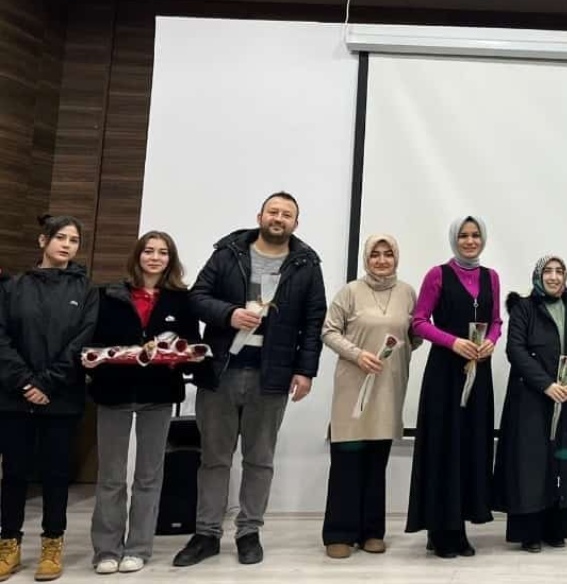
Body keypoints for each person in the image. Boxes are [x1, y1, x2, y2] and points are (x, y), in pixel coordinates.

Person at [173, 191, 327, 567]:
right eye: (273, 211)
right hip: (222, 372)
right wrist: (229, 315)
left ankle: (249, 532)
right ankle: (206, 533)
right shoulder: (228, 252)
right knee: (214, 458)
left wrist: (306, 370)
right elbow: (197, 298)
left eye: (287, 214)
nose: (279, 218)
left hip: (270, 376)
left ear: (296, 223)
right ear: (260, 215)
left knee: (260, 460)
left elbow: (313, 320)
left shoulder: (305, 263)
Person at [87, 231, 204, 575]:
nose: (155, 257)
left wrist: (176, 355)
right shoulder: (108, 294)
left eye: (162, 252)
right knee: (110, 476)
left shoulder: (181, 300)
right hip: (114, 393)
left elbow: (191, 345)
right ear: (138, 255)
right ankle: (106, 549)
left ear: (171, 259)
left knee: (149, 475)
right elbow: (94, 342)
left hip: (158, 394)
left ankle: (138, 547)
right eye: (149, 251)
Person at [0, 215, 98, 582]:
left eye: (74, 240)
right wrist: (25, 382)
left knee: (57, 475)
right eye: (60, 237)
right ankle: (8, 544)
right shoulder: (12, 287)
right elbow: (1, 339)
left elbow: (82, 341)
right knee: (14, 475)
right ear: (43, 240)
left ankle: (52, 545)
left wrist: (49, 383)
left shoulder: (87, 290)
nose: (67, 245)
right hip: (14, 396)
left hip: (62, 397)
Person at [405, 216, 502, 559]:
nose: (470, 241)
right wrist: (453, 342)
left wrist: (490, 341)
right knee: (444, 446)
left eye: (476, 235)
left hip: (479, 371)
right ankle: (442, 530)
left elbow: (496, 322)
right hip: (446, 372)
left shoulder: (492, 277)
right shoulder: (437, 275)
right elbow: (418, 322)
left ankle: (457, 524)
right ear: (454, 239)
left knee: (470, 445)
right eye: (464, 235)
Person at [320, 234, 420, 559]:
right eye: (374, 254)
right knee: (348, 459)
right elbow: (328, 331)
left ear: (396, 257)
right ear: (366, 258)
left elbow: (414, 335)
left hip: (389, 386)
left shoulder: (407, 293)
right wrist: (357, 354)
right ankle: (339, 532)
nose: (381, 260)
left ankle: (371, 531)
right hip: (353, 384)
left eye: (387, 254)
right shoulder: (350, 292)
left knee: (377, 460)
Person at [492, 255, 567, 552]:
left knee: (562, 461)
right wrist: (547, 385)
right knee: (531, 465)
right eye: (547, 271)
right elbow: (516, 350)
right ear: (538, 276)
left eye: (559, 271)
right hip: (532, 399)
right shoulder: (524, 307)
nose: (553, 277)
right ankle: (529, 533)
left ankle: (555, 528)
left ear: (565, 276)